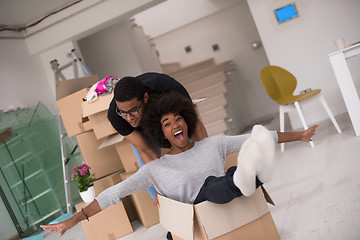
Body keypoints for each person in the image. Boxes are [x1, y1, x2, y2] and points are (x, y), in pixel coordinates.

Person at [41, 92, 318, 237]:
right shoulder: (154, 169)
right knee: (210, 189)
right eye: (167, 123)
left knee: (223, 180)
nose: (175, 125)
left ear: (187, 121)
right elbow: (114, 194)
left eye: (178, 119)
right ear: (162, 134)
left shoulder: (213, 145)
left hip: (225, 199)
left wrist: (301, 136)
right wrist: (74, 220)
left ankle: (249, 176)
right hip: (197, 215)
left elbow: (258, 138)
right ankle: (246, 178)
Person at [108, 72, 208, 201]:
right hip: (142, 128)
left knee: (197, 153)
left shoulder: (166, 88)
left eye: (133, 110)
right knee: (148, 171)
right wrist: (163, 190)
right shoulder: (116, 115)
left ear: (145, 98)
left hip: (170, 113)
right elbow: (145, 150)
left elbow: (195, 128)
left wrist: (207, 163)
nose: (129, 118)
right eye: (123, 112)